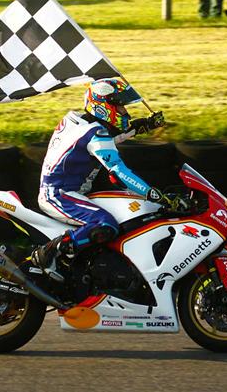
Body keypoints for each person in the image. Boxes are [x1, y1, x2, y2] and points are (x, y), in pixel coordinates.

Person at [30, 78, 170, 282]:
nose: (125, 112)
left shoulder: (80, 122)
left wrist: (143, 126)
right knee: (105, 224)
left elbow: (110, 138)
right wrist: (152, 193)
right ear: (104, 106)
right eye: (120, 106)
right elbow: (119, 170)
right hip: (59, 195)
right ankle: (50, 252)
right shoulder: (95, 134)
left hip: (68, 192)